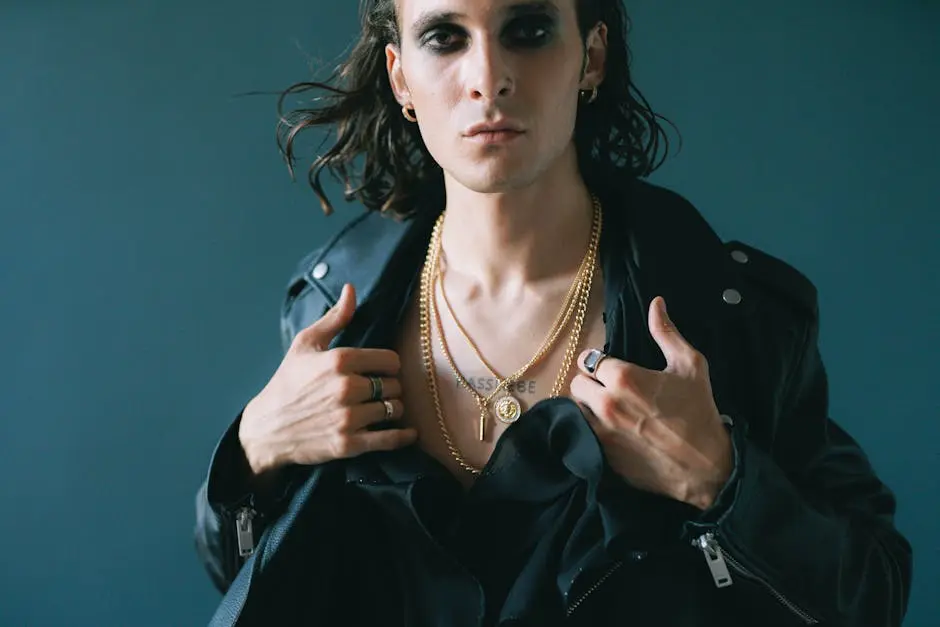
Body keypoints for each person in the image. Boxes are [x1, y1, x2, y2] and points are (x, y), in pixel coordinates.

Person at [194, 0, 913, 625]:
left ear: (591, 55)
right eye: (445, 37)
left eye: (529, 29)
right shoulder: (334, 308)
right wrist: (256, 450)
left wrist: (722, 482)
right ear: (401, 77)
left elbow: (871, 597)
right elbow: (267, 586)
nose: (488, 78)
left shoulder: (730, 319)